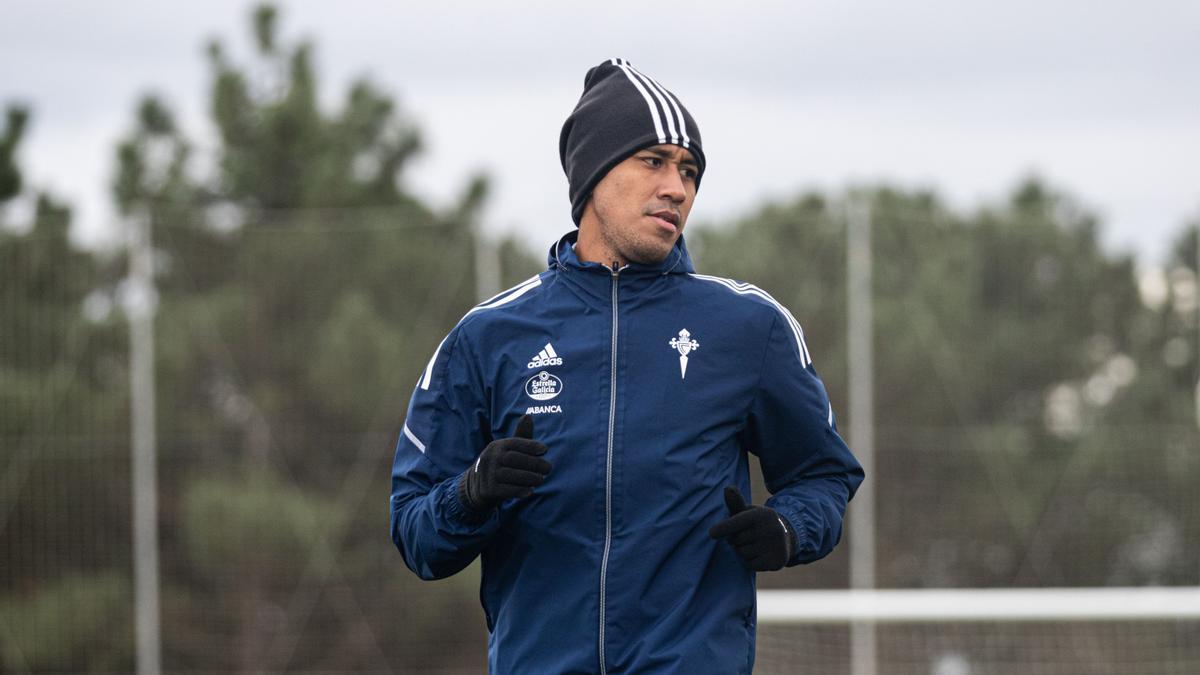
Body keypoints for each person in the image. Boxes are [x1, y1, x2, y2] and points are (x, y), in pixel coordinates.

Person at [390, 57, 864, 674]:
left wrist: (787, 528)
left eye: (690, 171)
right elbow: (414, 532)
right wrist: (469, 495)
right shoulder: (487, 337)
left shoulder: (750, 327)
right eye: (654, 161)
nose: (678, 187)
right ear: (592, 175)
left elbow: (824, 476)